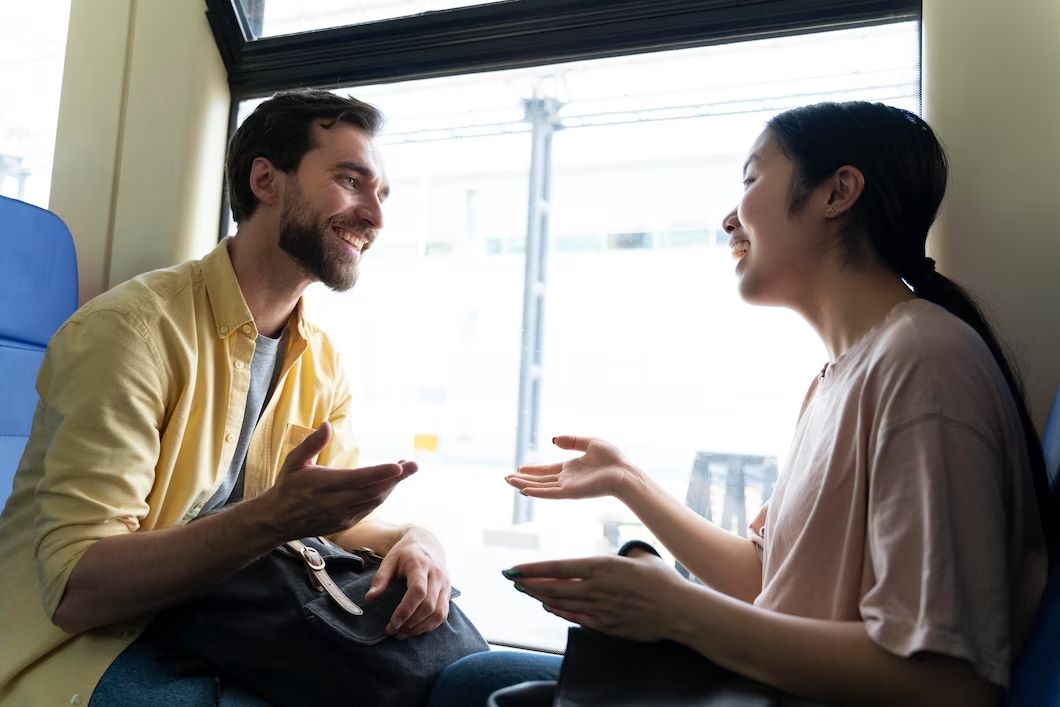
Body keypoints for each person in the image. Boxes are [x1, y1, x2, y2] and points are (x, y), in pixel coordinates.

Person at [435, 101, 1057, 706]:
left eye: (752, 178)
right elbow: (772, 582)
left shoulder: (924, 364)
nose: (729, 219)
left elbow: (946, 685)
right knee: (476, 677)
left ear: (837, 194)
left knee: (473, 683)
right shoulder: (840, 376)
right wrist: (627, 483)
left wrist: (674, 610)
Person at [0, 90, 460, 705]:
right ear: (266, 179)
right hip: (88, 642)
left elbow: (340, 519)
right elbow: (78, 589)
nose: (374, 216)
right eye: (352, 182)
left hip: (219, 624)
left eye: (381, 196)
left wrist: (418, 537)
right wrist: (273, 518)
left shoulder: (320, 361)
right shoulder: (130, 333)